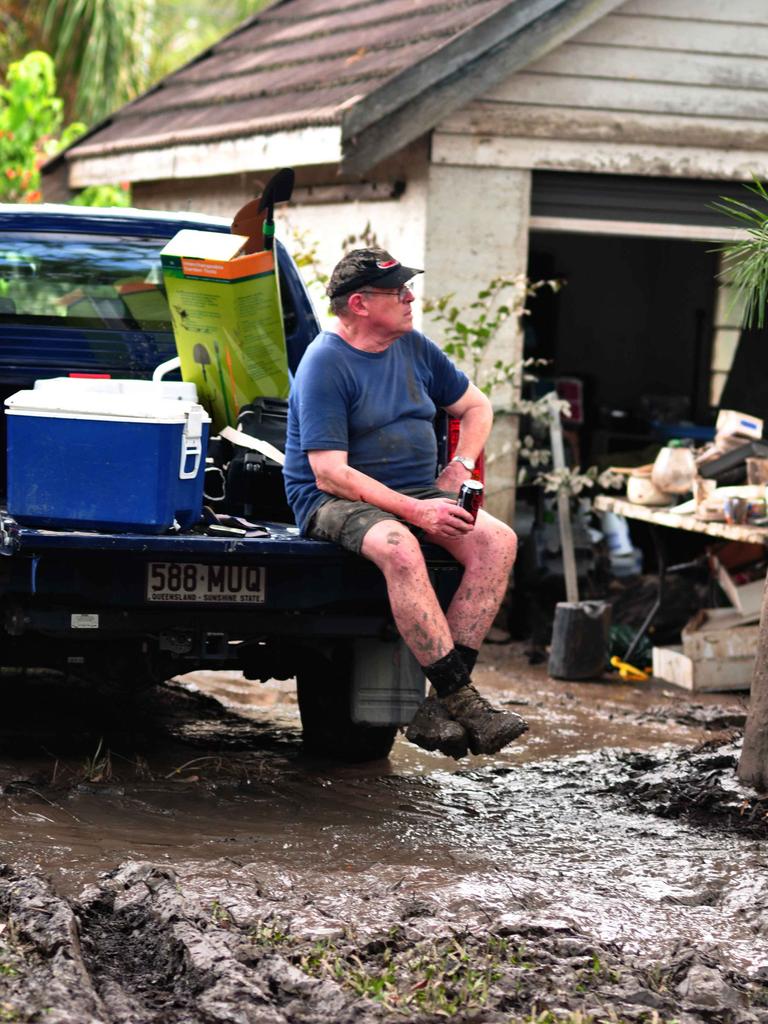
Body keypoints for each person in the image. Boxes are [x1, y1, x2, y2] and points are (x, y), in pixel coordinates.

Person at [283, 248, 528, 758]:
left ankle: (440, 704)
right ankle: (464, 699)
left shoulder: (414, 347)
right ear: (360, 303)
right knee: (399, 546)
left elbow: (477, 405)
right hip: (334, 498)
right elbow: (329, 473)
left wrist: (459, 464)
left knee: (497, 541)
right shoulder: (325, 362)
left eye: (406, 288)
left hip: (417, 491)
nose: (410, 297)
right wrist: (416, 513)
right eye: (397, 292)